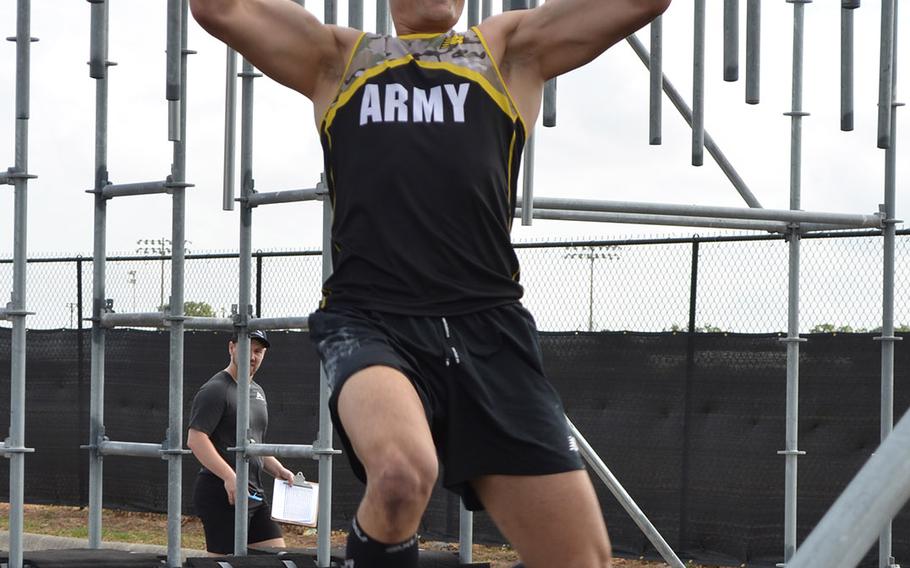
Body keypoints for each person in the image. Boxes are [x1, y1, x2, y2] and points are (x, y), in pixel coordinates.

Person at [189, 0, 670, 565]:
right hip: (371, 321)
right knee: (400, 474)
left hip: (489, 328)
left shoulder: (505, 52)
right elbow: (220, 8)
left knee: (579, 559)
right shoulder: (341, 60)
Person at [187, 329, 296, 555]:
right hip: (222, 493)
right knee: (226, 562)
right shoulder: (216, 389)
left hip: (254, 493)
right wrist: (229, 477)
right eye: (247, 349)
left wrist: (280, 470)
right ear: (232, 348)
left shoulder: (257, 392)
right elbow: (196, 439)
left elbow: (253, 444)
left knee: (276, 558)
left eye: (258, 351)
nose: (253, 356)